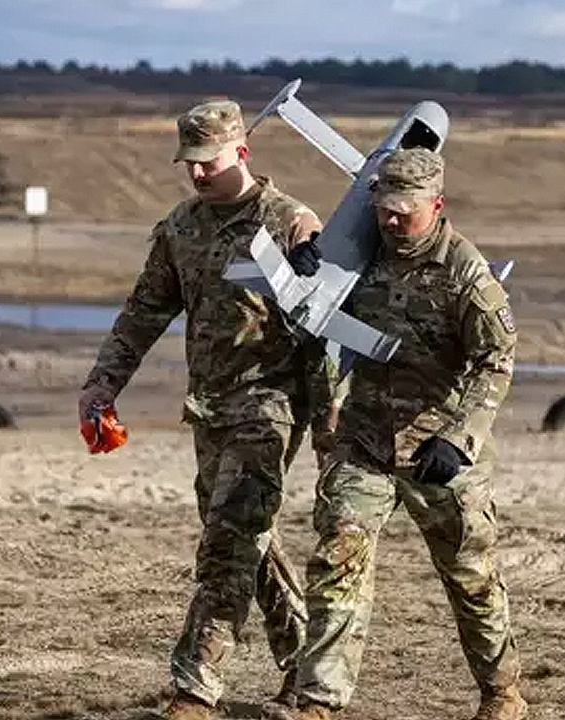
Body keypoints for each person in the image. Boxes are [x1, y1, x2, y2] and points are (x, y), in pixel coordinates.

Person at [77, 98, 335, 720]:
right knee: (250, 540)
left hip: (270, 406)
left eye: (208, 162)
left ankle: (195, 689)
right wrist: (102, 384)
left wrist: (332, 419)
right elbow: (144, 313)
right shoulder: (181, 227)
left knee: (228, 545)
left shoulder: (290, 223)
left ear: (241, 151)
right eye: (187, 162)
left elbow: (330, 323)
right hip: (209, 408)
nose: (196, 173)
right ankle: (304, 666)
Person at [281, 147, 527, 720]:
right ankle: (318, 701)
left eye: (404, 213)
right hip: (365, 441)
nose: (390, 221)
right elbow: (311, 306)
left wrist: (460, 438)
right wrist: (306, 259)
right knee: (338, 557)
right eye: (383, 209)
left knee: (470, 576)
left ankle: (502, 694)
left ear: (436, 206)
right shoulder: (360, 251)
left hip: (439, 451)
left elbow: (496, 360)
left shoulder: (465, 273)